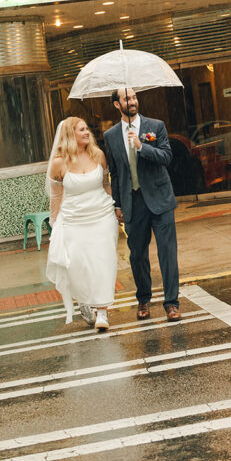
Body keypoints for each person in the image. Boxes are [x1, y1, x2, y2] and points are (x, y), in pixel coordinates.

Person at [104, 88, 181, 322]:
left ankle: (172, 303)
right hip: (133, 202)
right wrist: (117, 204)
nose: (133, 101)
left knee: (167, 252)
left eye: (135, 97)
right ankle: (143, 300)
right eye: (127, 98)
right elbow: (115, 174)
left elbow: (167, 157)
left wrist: (140, 146)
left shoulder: (155, 126)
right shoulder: (110, 136)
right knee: (137, 255)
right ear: (117, 105)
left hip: (160, 199)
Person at [45, 116, 119, 332]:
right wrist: (54, 223)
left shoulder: (98, 155)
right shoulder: (59, 163)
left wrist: (116, 209)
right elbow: (56, 197)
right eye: (82, 130)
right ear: (70, 135)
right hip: (74, 220)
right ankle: (85, 301)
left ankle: (102, 312)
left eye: (87, 129)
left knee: (103, 263)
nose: (88, 133)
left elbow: (106, 185)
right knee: (78, 266)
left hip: (102, 216)